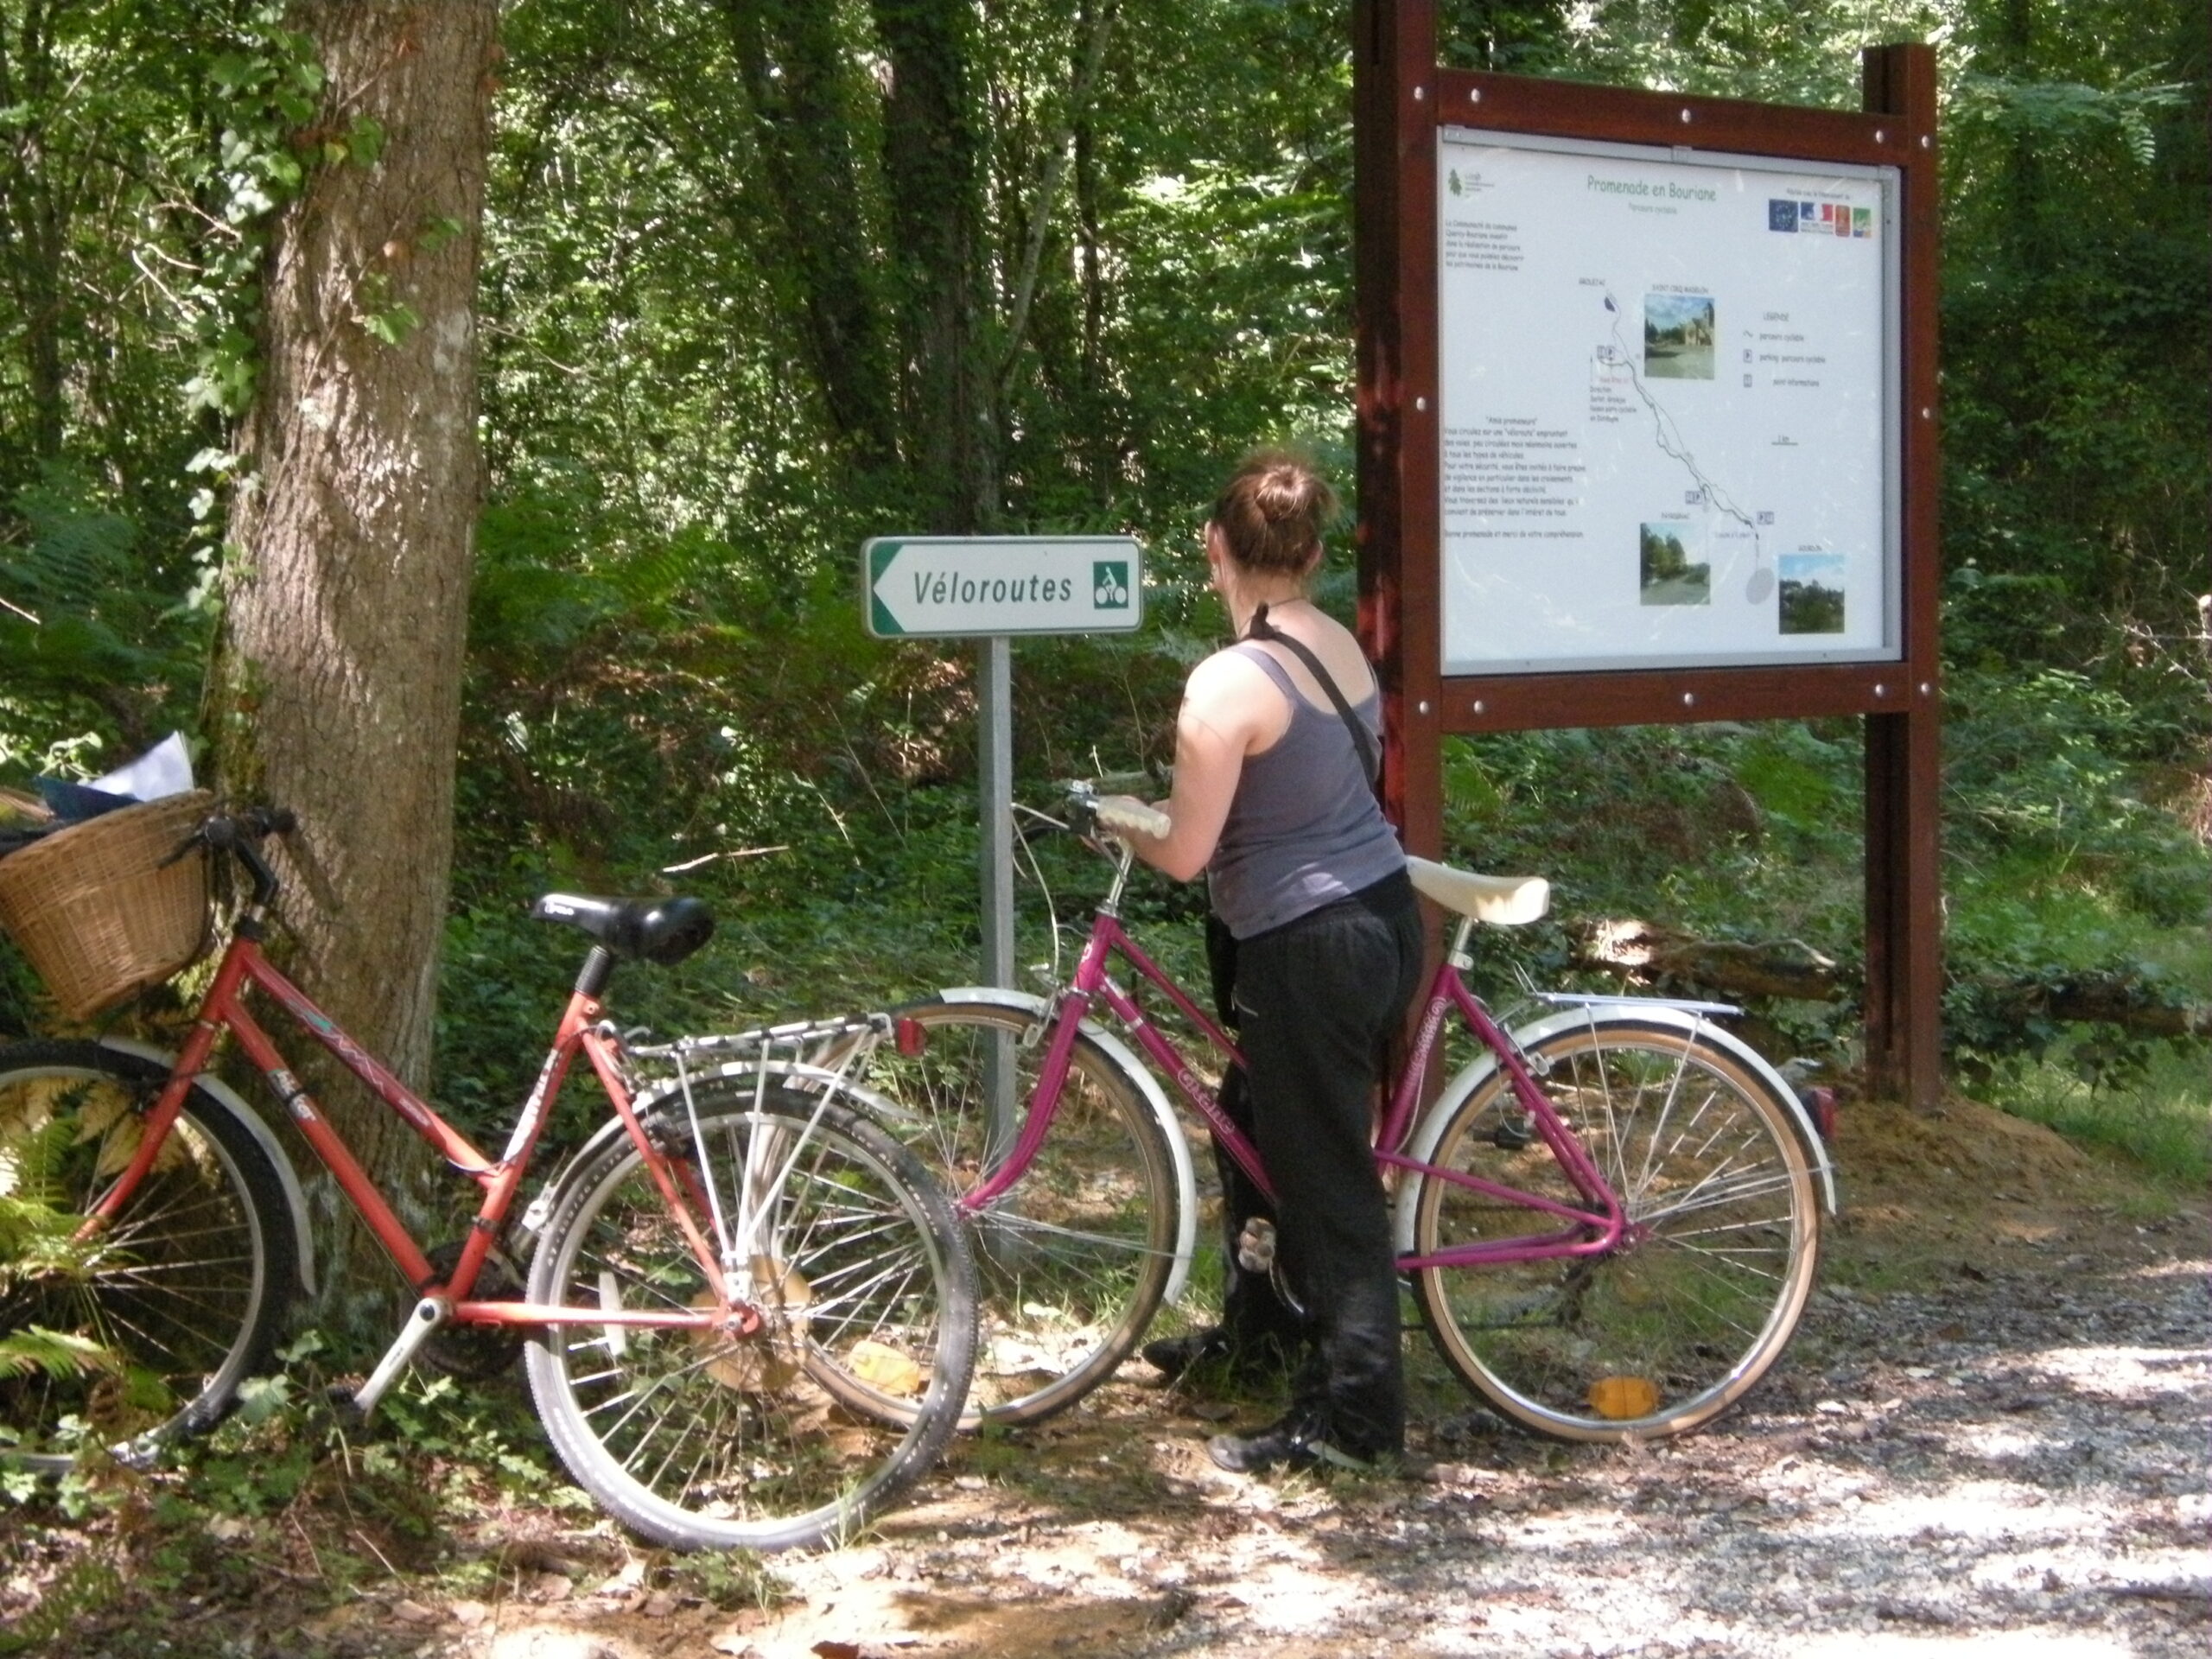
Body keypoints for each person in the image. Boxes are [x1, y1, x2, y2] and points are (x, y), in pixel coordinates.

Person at [1101, 449, 1422, 1474]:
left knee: (1326, 1179)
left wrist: (1126, 827)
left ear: (1213, 548)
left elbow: (1189, 853)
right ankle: (1261, 1326)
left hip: (1308, 942)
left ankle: (1357, 1418)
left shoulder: (1227, 681)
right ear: (1314, 553)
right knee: (1249, 1124)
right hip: (1375, 912)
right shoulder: (1336, 643)